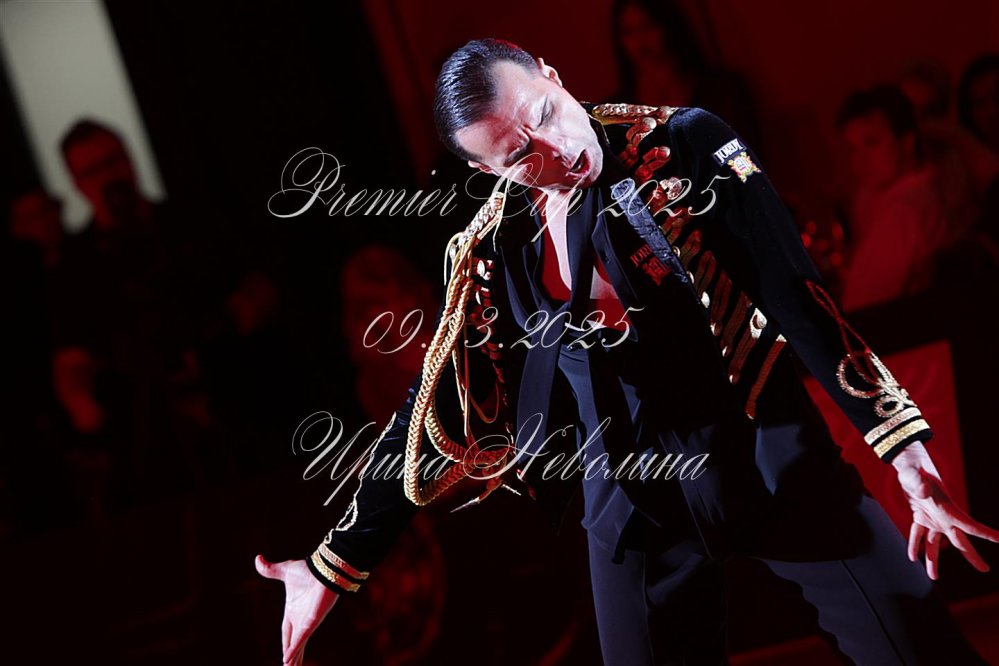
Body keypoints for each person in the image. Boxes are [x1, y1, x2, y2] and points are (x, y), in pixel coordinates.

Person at [257, 39, 999, 665]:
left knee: (920, 652)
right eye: (520, 156)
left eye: (545, 114)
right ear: (487, 172)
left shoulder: (684, 143)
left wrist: (904, 453)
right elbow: (433, 411)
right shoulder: (494, 248)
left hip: (767, 459)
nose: (556, 150)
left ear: (551, 75)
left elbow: (797, 297)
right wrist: (332, 566)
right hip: (632, 503)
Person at [835, 85, 951, 312]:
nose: (859, 160)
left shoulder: (905, 210)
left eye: (872, 143)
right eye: (852, 149)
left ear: (906, 142)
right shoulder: (878, 197)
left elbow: (861, 306)